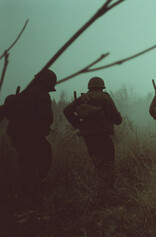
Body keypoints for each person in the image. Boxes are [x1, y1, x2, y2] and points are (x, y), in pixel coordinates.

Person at [1, 69, 57, 208]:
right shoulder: (42, 95)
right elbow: (46, 118)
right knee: (45, 157)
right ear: (46, 84)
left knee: (26, 161)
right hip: (31, 134)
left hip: (15, 134)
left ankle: (21, 192)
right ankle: (34, 191)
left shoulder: (22, 95)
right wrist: (43, 128)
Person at [63, 77, 122, 191]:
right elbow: (117, 119)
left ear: (89, 87)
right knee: (109, 159)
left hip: (87, 135)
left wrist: (78, 125)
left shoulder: (82, 98)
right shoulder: (105, 98)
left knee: (96, 159)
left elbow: (66, 111)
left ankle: (99, 184)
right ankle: (109, 188)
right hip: (103, 133)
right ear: (102, 87)